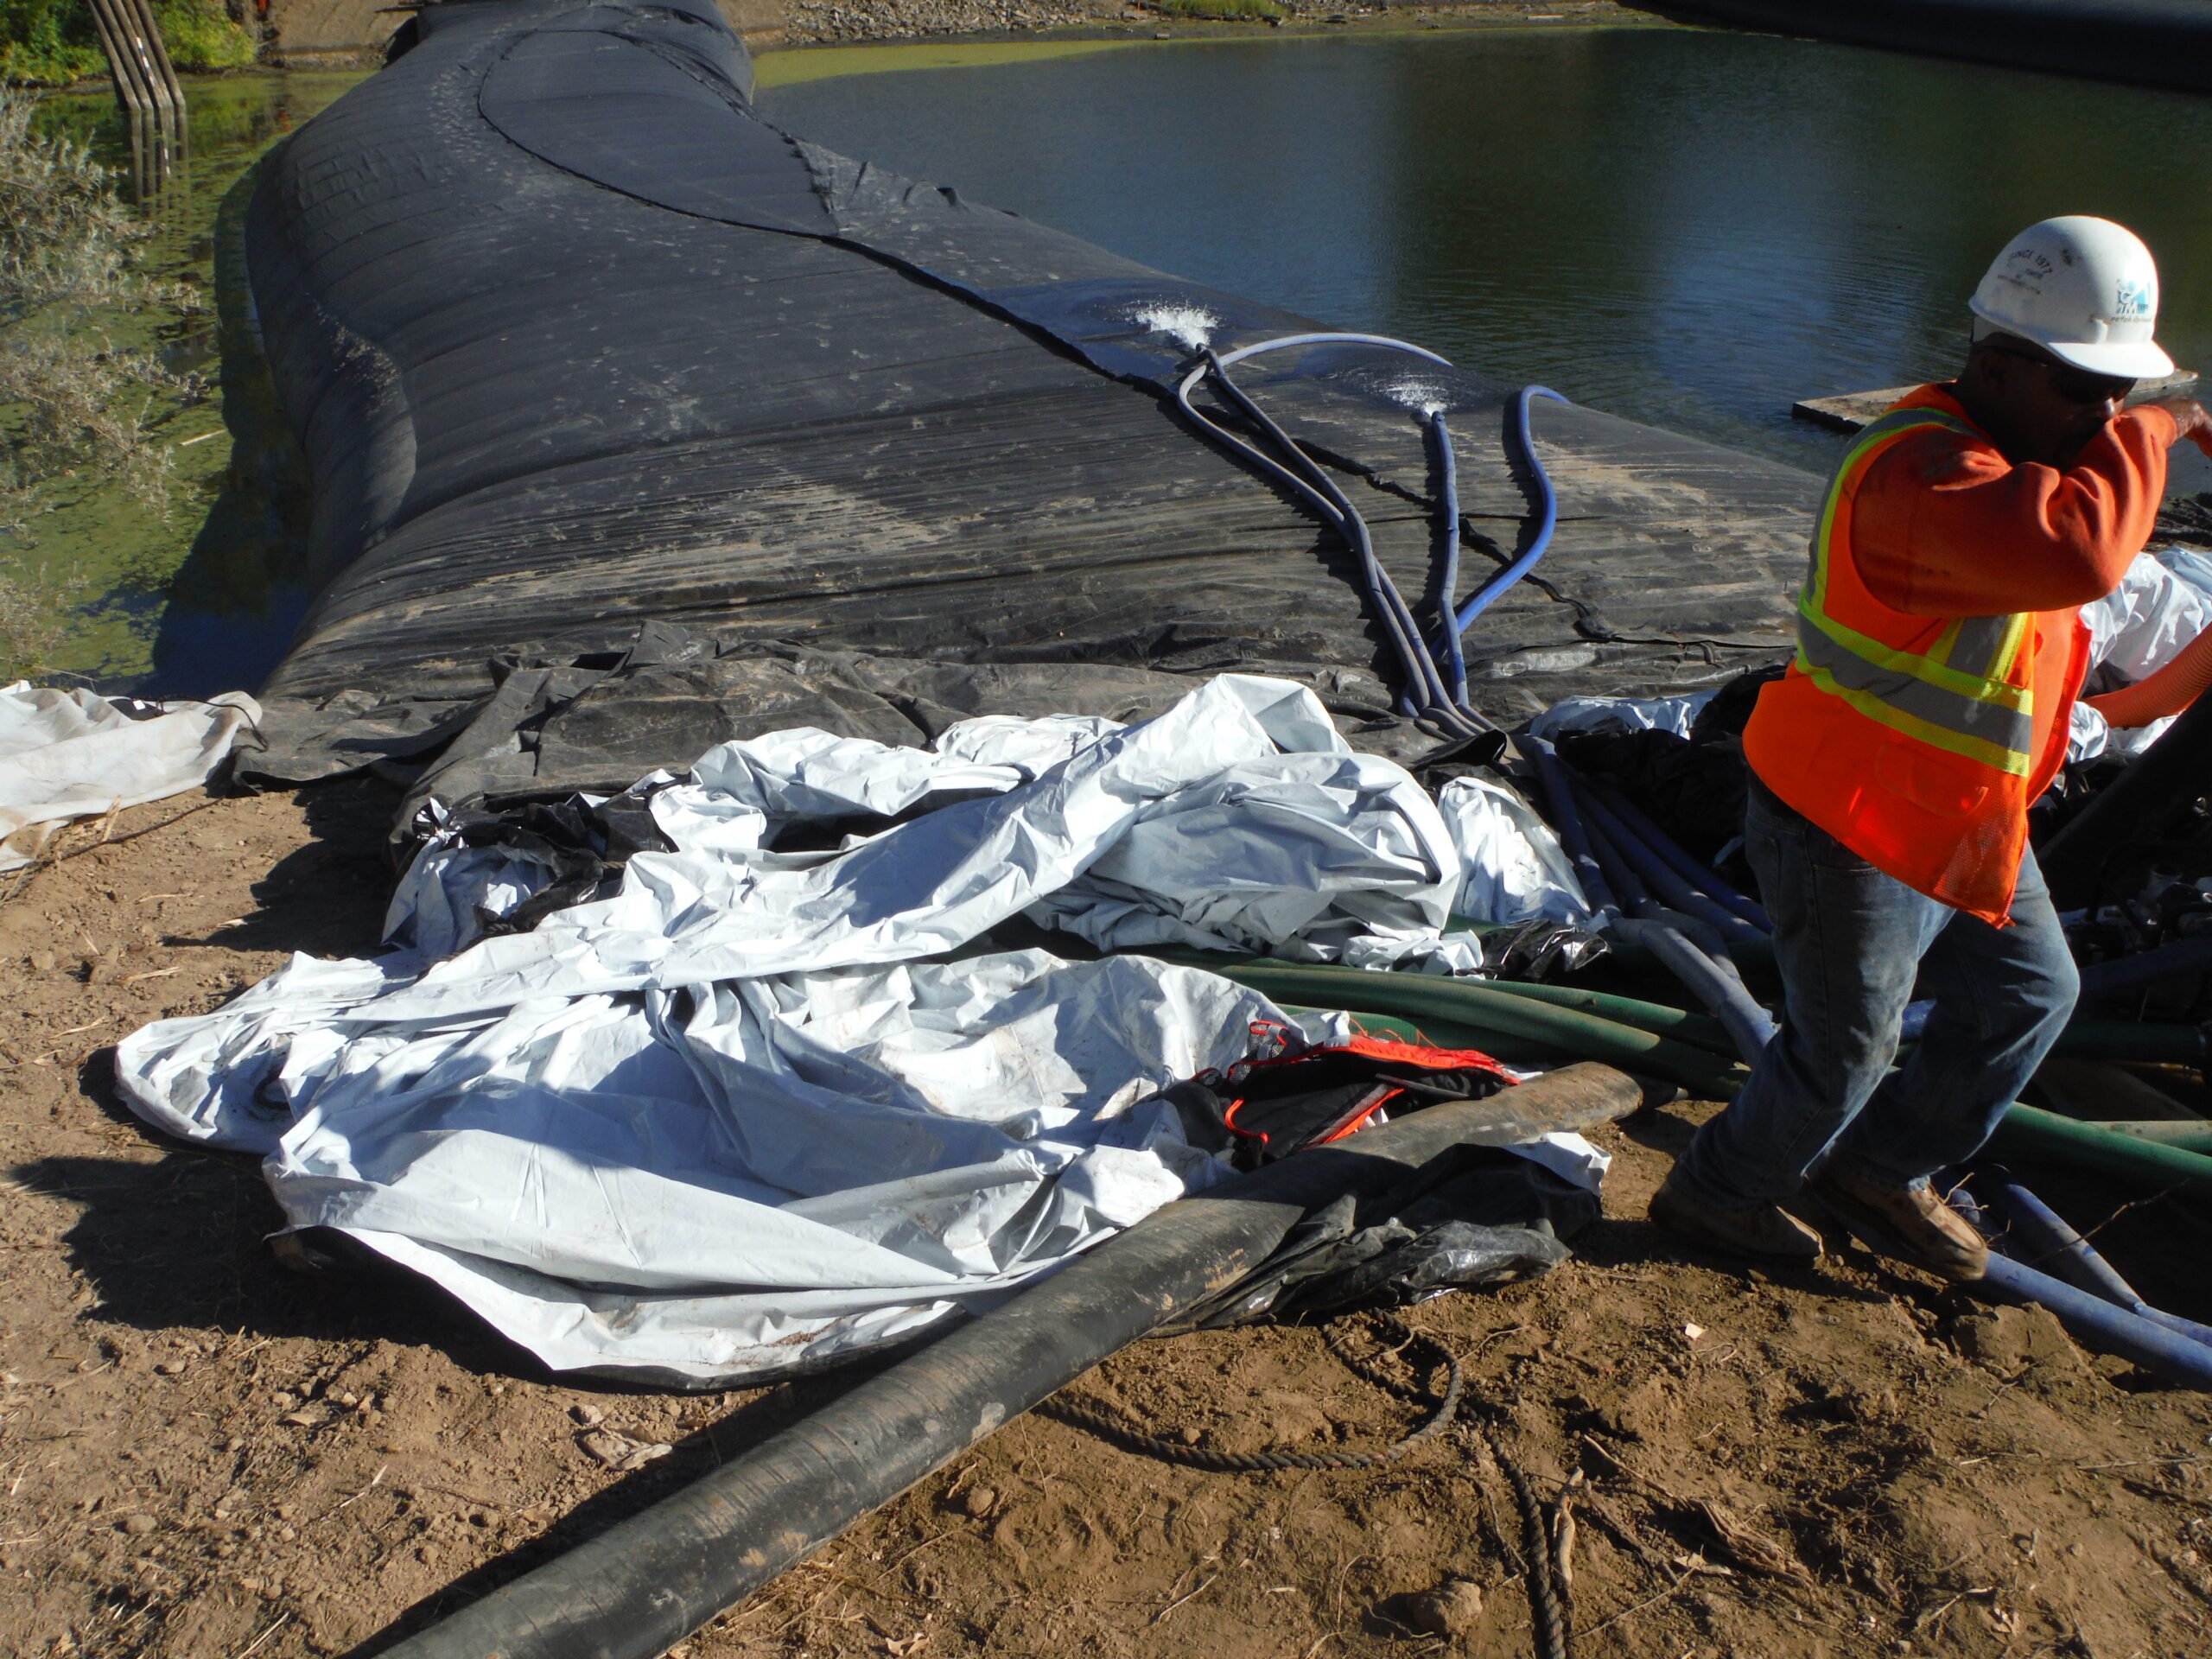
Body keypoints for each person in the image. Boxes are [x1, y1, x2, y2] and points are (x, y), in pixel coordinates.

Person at [1650, 216, 2212, 1279]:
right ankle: (1713, 1193)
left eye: (2116, 396)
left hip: (1951, 821)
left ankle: (1878, 1168)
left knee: (2029, 998)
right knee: (1843, 1053)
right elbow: (2082, 550)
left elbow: (2075, 641)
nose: (2103, 418)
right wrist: (2168, 423)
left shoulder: (2008, 464)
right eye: (2084, 393)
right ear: (1997, 366)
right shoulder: (1924, 479)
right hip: (1846, 823)